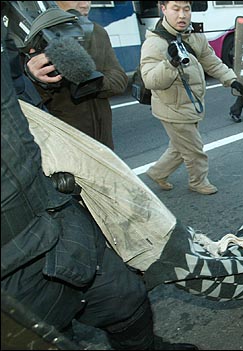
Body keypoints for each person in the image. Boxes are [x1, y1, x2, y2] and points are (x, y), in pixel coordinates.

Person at [1, 20, 197, 351]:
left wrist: (23, 73)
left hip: (51, 211)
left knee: (126, 296)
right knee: (50, 333)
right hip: (11, 259)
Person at [141, 1, 243, 195]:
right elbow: (150, 80)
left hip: (190, 104)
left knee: (179, 146)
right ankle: (198, 181)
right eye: (176, 9)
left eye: (186, 9)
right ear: (163, 9)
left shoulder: (194, 35)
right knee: (194, 149)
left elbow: (211, 61)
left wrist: (231, 79)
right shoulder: (155, 43)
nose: (182, 15)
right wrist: (170, 64)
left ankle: (158, 173)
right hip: (172, 107)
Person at [25, 1, 128, 150]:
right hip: (64, 145)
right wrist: (36, 80)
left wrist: (93, 81)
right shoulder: (32, 36)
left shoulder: (97, 32)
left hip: (104, 142)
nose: (85, 3)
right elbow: (20, 103)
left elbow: (120, 80)